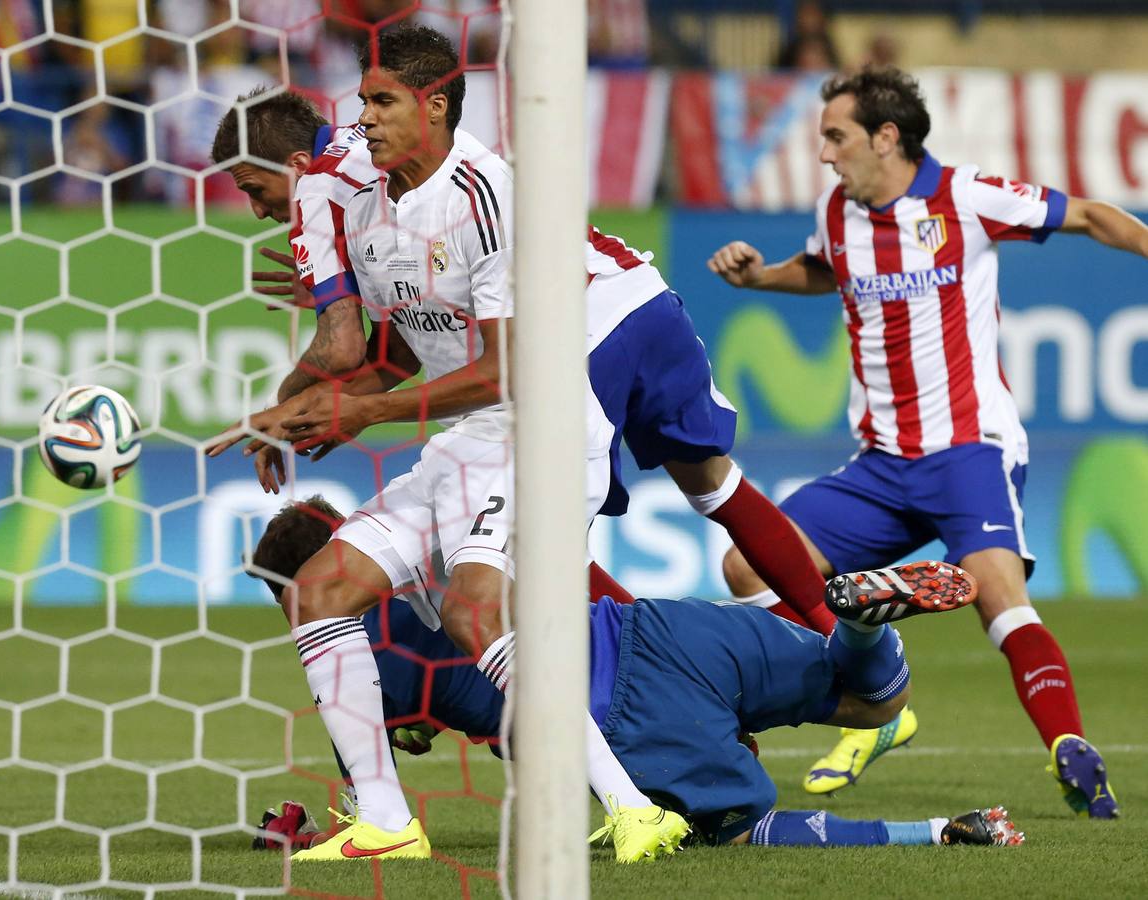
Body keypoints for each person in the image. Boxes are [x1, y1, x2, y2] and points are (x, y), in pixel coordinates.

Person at [208, 26, 690, 864]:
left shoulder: (486, 194)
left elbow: (508, 369)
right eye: (361, 100)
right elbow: (406, 348)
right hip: (467, 443)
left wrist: (367, 411)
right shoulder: (366, 203)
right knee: (319, 591)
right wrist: (304, 408)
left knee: (472, 611)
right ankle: (386, 823)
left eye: (381, 101)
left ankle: (635, 810)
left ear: (434, 106)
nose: (362, 117)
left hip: (541, 434)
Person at [708, 65, 1145, 817]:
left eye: (836, 136)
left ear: (886, 137)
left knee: (999, 599)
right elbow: (823, 269)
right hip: (880, 466)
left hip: (970, 450)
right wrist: (761, 279)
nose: (824, 153)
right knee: (746, 566)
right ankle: (879, 697)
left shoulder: (966, 197)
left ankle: (1069, 746)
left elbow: (1091, 216)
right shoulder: (837, 210)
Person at [250, 497, 1026, 852]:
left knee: (736, 832)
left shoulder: (350, 649)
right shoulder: (435, 541)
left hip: (623, 717)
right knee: (872, 699)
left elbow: (378, 798)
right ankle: (860, 620)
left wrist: (304, 829)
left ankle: (938, 833)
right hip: (657, 627)